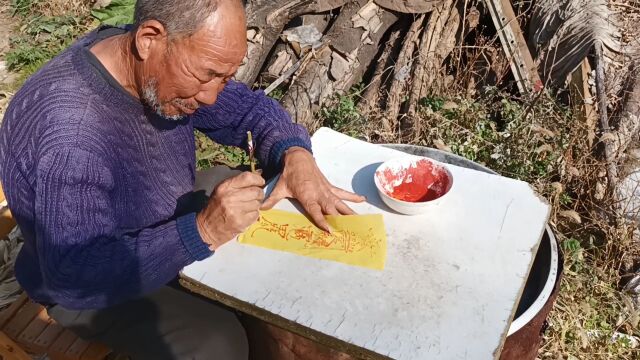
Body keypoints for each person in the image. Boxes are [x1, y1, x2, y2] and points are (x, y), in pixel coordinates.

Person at [0, 0, 366, 358]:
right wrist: (202, 231)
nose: (210, 96)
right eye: (206, 75)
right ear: (148, 38)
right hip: (87, 279)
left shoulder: (160, 62)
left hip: (153, 212)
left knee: (265, 203)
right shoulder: (72, 134)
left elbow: (249, 111)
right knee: (217, 344)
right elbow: (75, 276)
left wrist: (293, 154)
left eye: (224, 77)